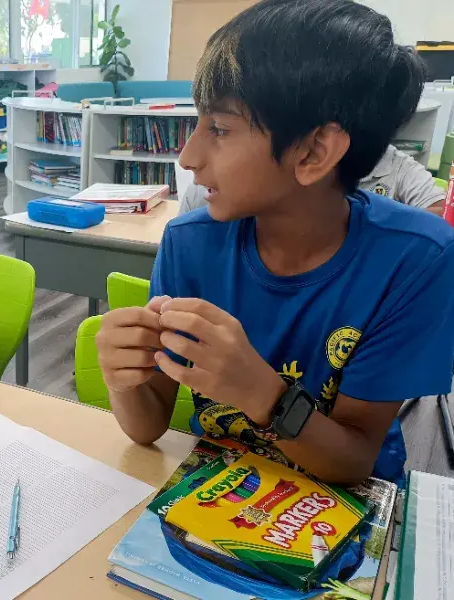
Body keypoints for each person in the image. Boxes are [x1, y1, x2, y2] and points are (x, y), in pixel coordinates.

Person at [96, 0, 454, 488]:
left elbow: (354, 462)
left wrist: (264, 394)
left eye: (219, 129)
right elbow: (148, 424)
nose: (187, 157)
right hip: (217, 493)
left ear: (313, 152)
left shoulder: (416, 260)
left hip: (344, 507)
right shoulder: (189, 243)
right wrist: (124, 380)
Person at [179, 144, 446, 216]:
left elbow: (438, 215)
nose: (186, 158)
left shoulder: (395, 164)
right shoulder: (196, 207)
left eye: (222, 130)